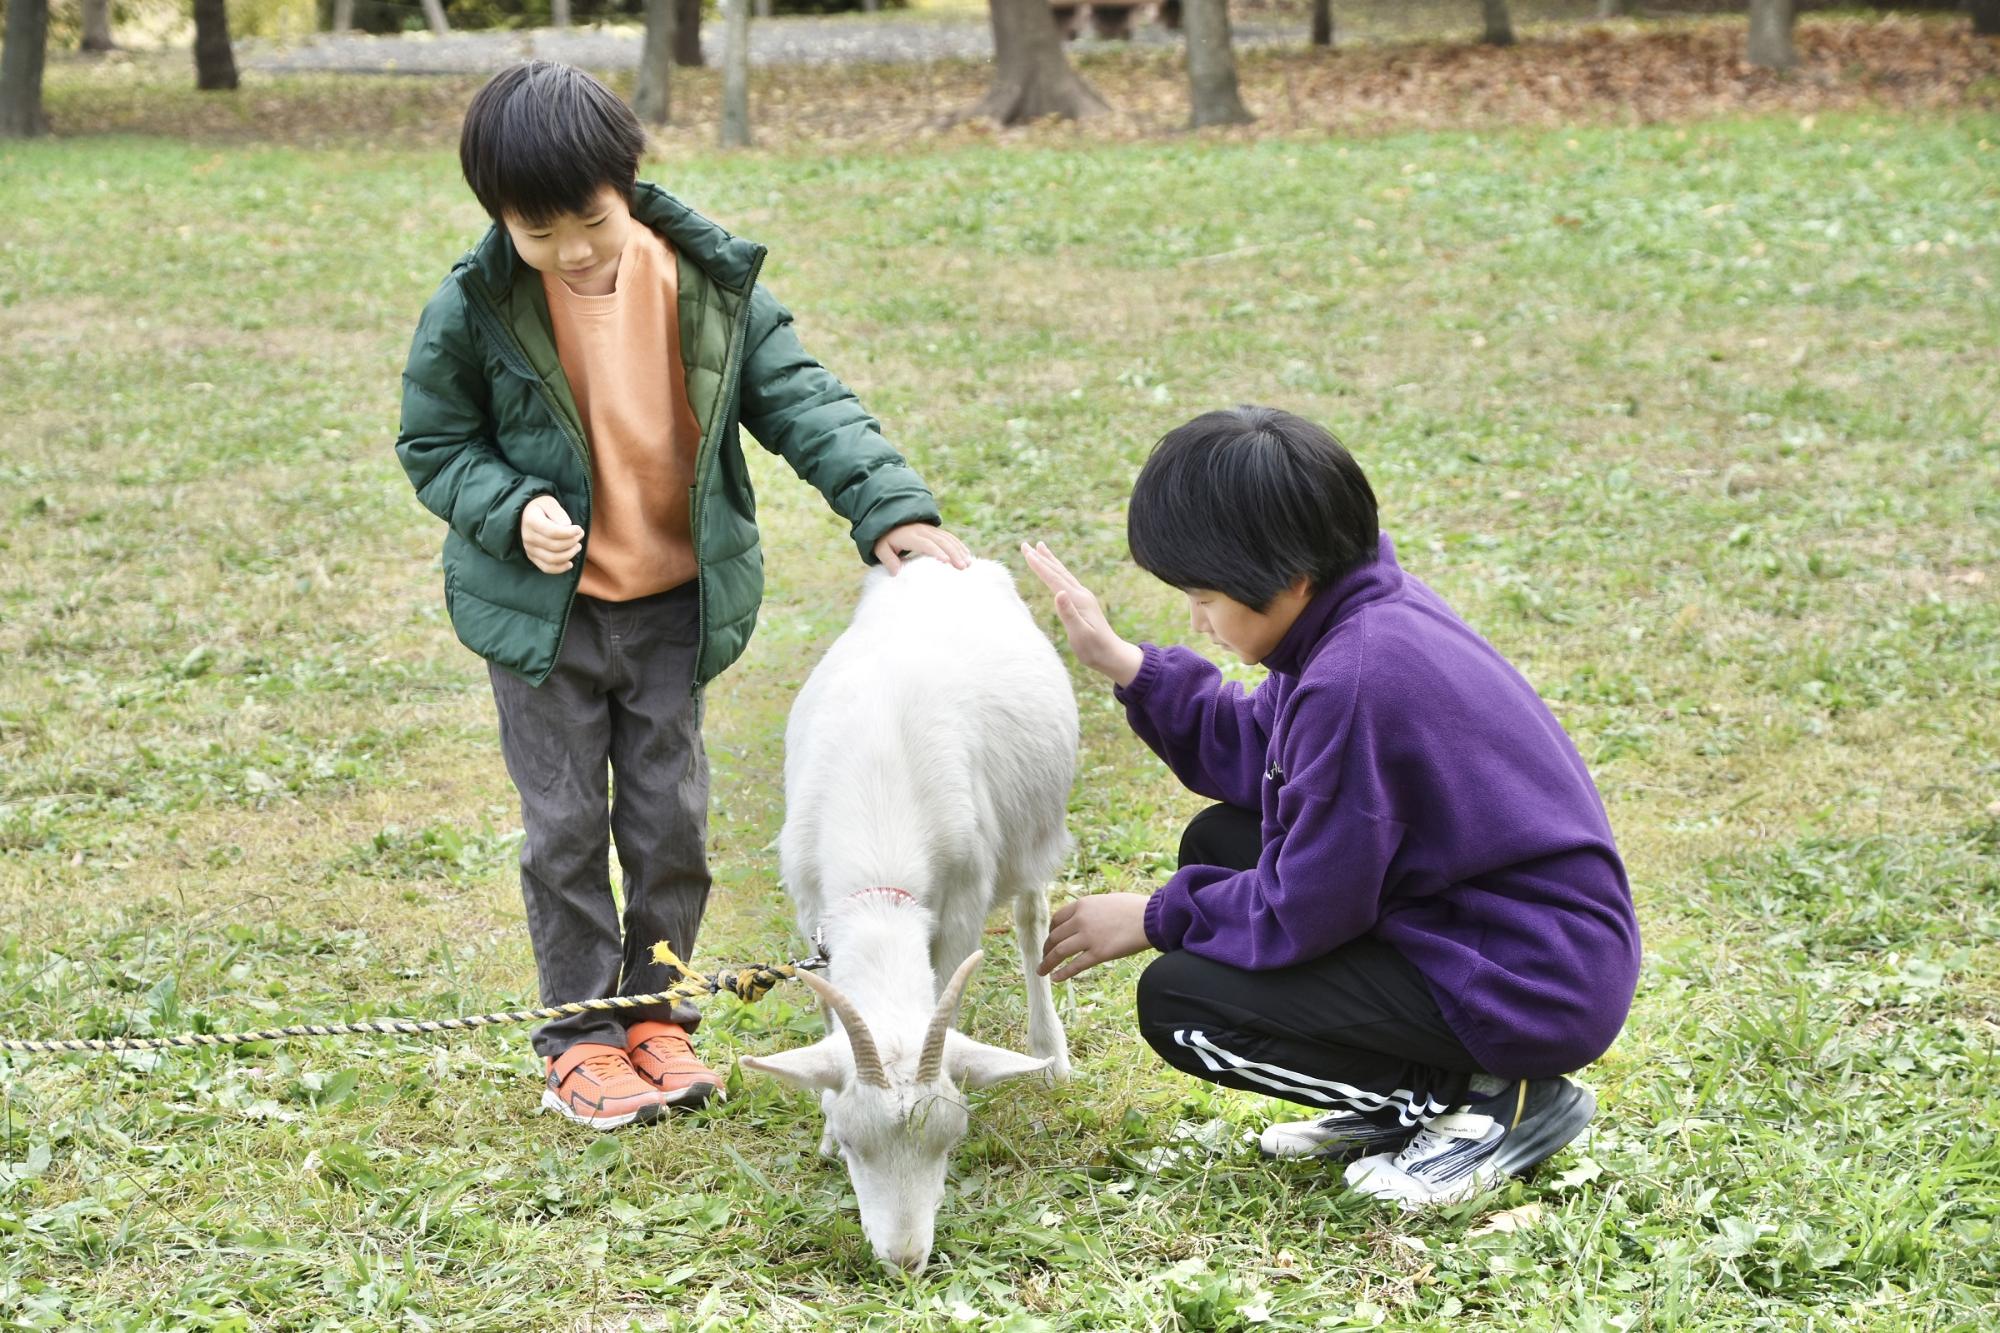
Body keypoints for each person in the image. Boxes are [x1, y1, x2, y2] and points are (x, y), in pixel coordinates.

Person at [394, 62, 970, 1131]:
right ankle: (579, 1037)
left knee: (671, 828)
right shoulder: (472, 305)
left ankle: (656, 1014)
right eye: (534, 230)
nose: (569, 250)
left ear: (630, 180)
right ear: (495, 218)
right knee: (564, 826)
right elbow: (434, 443)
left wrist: (888, 507)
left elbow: (801, 398)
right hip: (543, 618)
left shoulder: (707, 286)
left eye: (588, 220)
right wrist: (510, 504)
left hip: (669, 606)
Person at [1022, 406, 1640, 1205]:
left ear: (1288, 578)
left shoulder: (1355, 679)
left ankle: (1489, 1103)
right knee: (1221, 840)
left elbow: (1299, 911)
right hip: (1495, 935)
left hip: (1524, 981)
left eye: (1206, 596)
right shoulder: (1350, 617)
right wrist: (1128, 664)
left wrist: (1152, 915)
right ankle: (1412, 1099)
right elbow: (1261, 753)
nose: (1196, 619)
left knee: (1183, 1001)